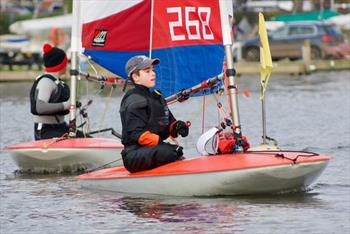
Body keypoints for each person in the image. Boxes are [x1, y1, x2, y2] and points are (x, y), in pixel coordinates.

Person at [120, 55, 189, 173]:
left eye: (153, 70)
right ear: (136, 77)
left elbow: (169, 124)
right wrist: (163, 145)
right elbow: (139, 135)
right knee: (168, 152)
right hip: (134, 155)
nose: (153, 74)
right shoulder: (134, 100)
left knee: (171, 151)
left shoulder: (156, 97)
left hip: (153, 149)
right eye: (147, 71)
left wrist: (178, 127)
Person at [30, 43, 70, 140]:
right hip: (46, 130)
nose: (68, 65)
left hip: (61, 127)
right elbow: (40, 107)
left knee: (85, 137)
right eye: (66, 62)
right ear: (62, 65)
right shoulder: (46, 82)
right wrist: (66, 105)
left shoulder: (57, 82)